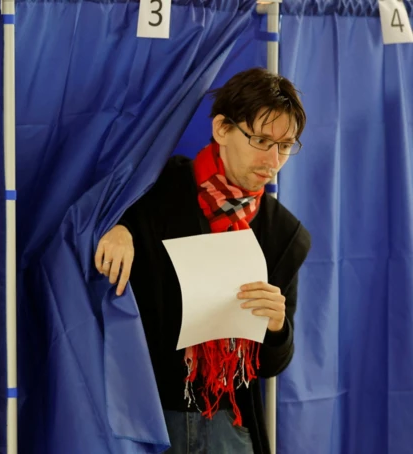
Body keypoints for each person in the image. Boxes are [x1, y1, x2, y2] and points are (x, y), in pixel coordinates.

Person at [94, 68, 311, 454]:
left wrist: (277, 327)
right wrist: (120, 228)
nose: (273, 160)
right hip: (144, 413)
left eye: (285, 145)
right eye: (261, 140)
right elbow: (96, 220)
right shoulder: (155, 190)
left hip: (229, 420)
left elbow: (269, 365)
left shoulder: (283, 234)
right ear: (222, 129)